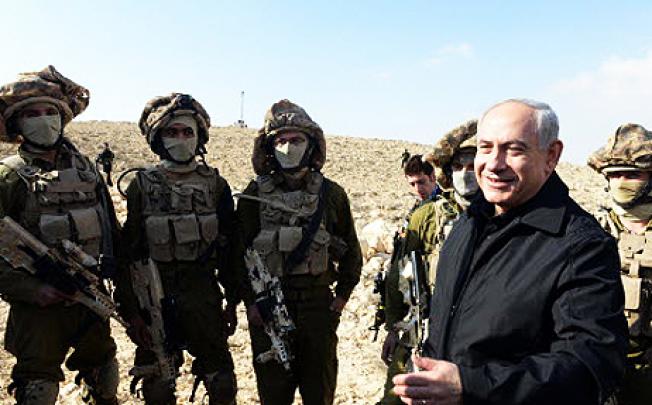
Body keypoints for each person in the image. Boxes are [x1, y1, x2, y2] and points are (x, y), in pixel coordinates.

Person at [392, 99, 627, 404]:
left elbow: (589, 367)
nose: (494, 163)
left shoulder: (580, 246)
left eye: (513, 150)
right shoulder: (469, 222)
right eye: (485, 148)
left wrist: (470, 385)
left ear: (551, 156)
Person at [0, 66, 120, 404]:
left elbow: (113, 234)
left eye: (50, 112)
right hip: (38, 310)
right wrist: (32, 289)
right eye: (31, 114)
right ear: (17, 124)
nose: (43, 119)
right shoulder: (9, 177)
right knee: (38, 391)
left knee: (104, 381)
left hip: (91, 301)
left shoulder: (87, 171)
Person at [115, 93, 239, 404]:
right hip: (154, 296)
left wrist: (232, 301)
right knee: (157, 383)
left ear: (199, 138)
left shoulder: (215, 186)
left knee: (222, 382)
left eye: (187, 132)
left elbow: (230, 250)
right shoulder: (142, 186)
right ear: (158, 139)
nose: (181, 139)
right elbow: (128, 253)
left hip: (203, 295)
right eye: (172, 132)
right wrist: (133, 313)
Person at [237, 99, 362, 405]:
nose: (288, 146)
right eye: (281, 140)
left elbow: (351, 252)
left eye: (296, 140)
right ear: (269, 147)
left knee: (318, 392)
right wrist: (251, 304)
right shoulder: (254, 195)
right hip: (269, 309)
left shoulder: (331, 194)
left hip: (318, 308)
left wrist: (340, 298)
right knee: (274, 394)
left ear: (310, 145)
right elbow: (238, 254)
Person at [379, 120, 479, 405]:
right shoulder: (428, 217)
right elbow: (400, 275)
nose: (465, 174)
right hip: (423, 331)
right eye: (458, 166)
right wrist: (393, 329)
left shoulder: (506, 219)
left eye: (472, 166)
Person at [588, 123, 652, 404]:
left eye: (632, 174)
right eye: (614, 175)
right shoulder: (589, 230)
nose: (621, 182)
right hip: (603, 364)